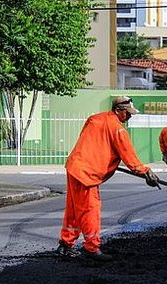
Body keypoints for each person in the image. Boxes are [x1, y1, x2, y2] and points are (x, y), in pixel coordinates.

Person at [57, 96, 160, 261]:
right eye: (128, 113)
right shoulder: (118, 129)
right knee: (91, 209)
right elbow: (129, 157)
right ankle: (92, 248)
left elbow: (90, 141)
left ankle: (66, 244)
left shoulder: (95, 119)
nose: (130, 117)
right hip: (87, 173)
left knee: (74, 209)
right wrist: (145, 171)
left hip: (74, 166)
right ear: (119, 110)